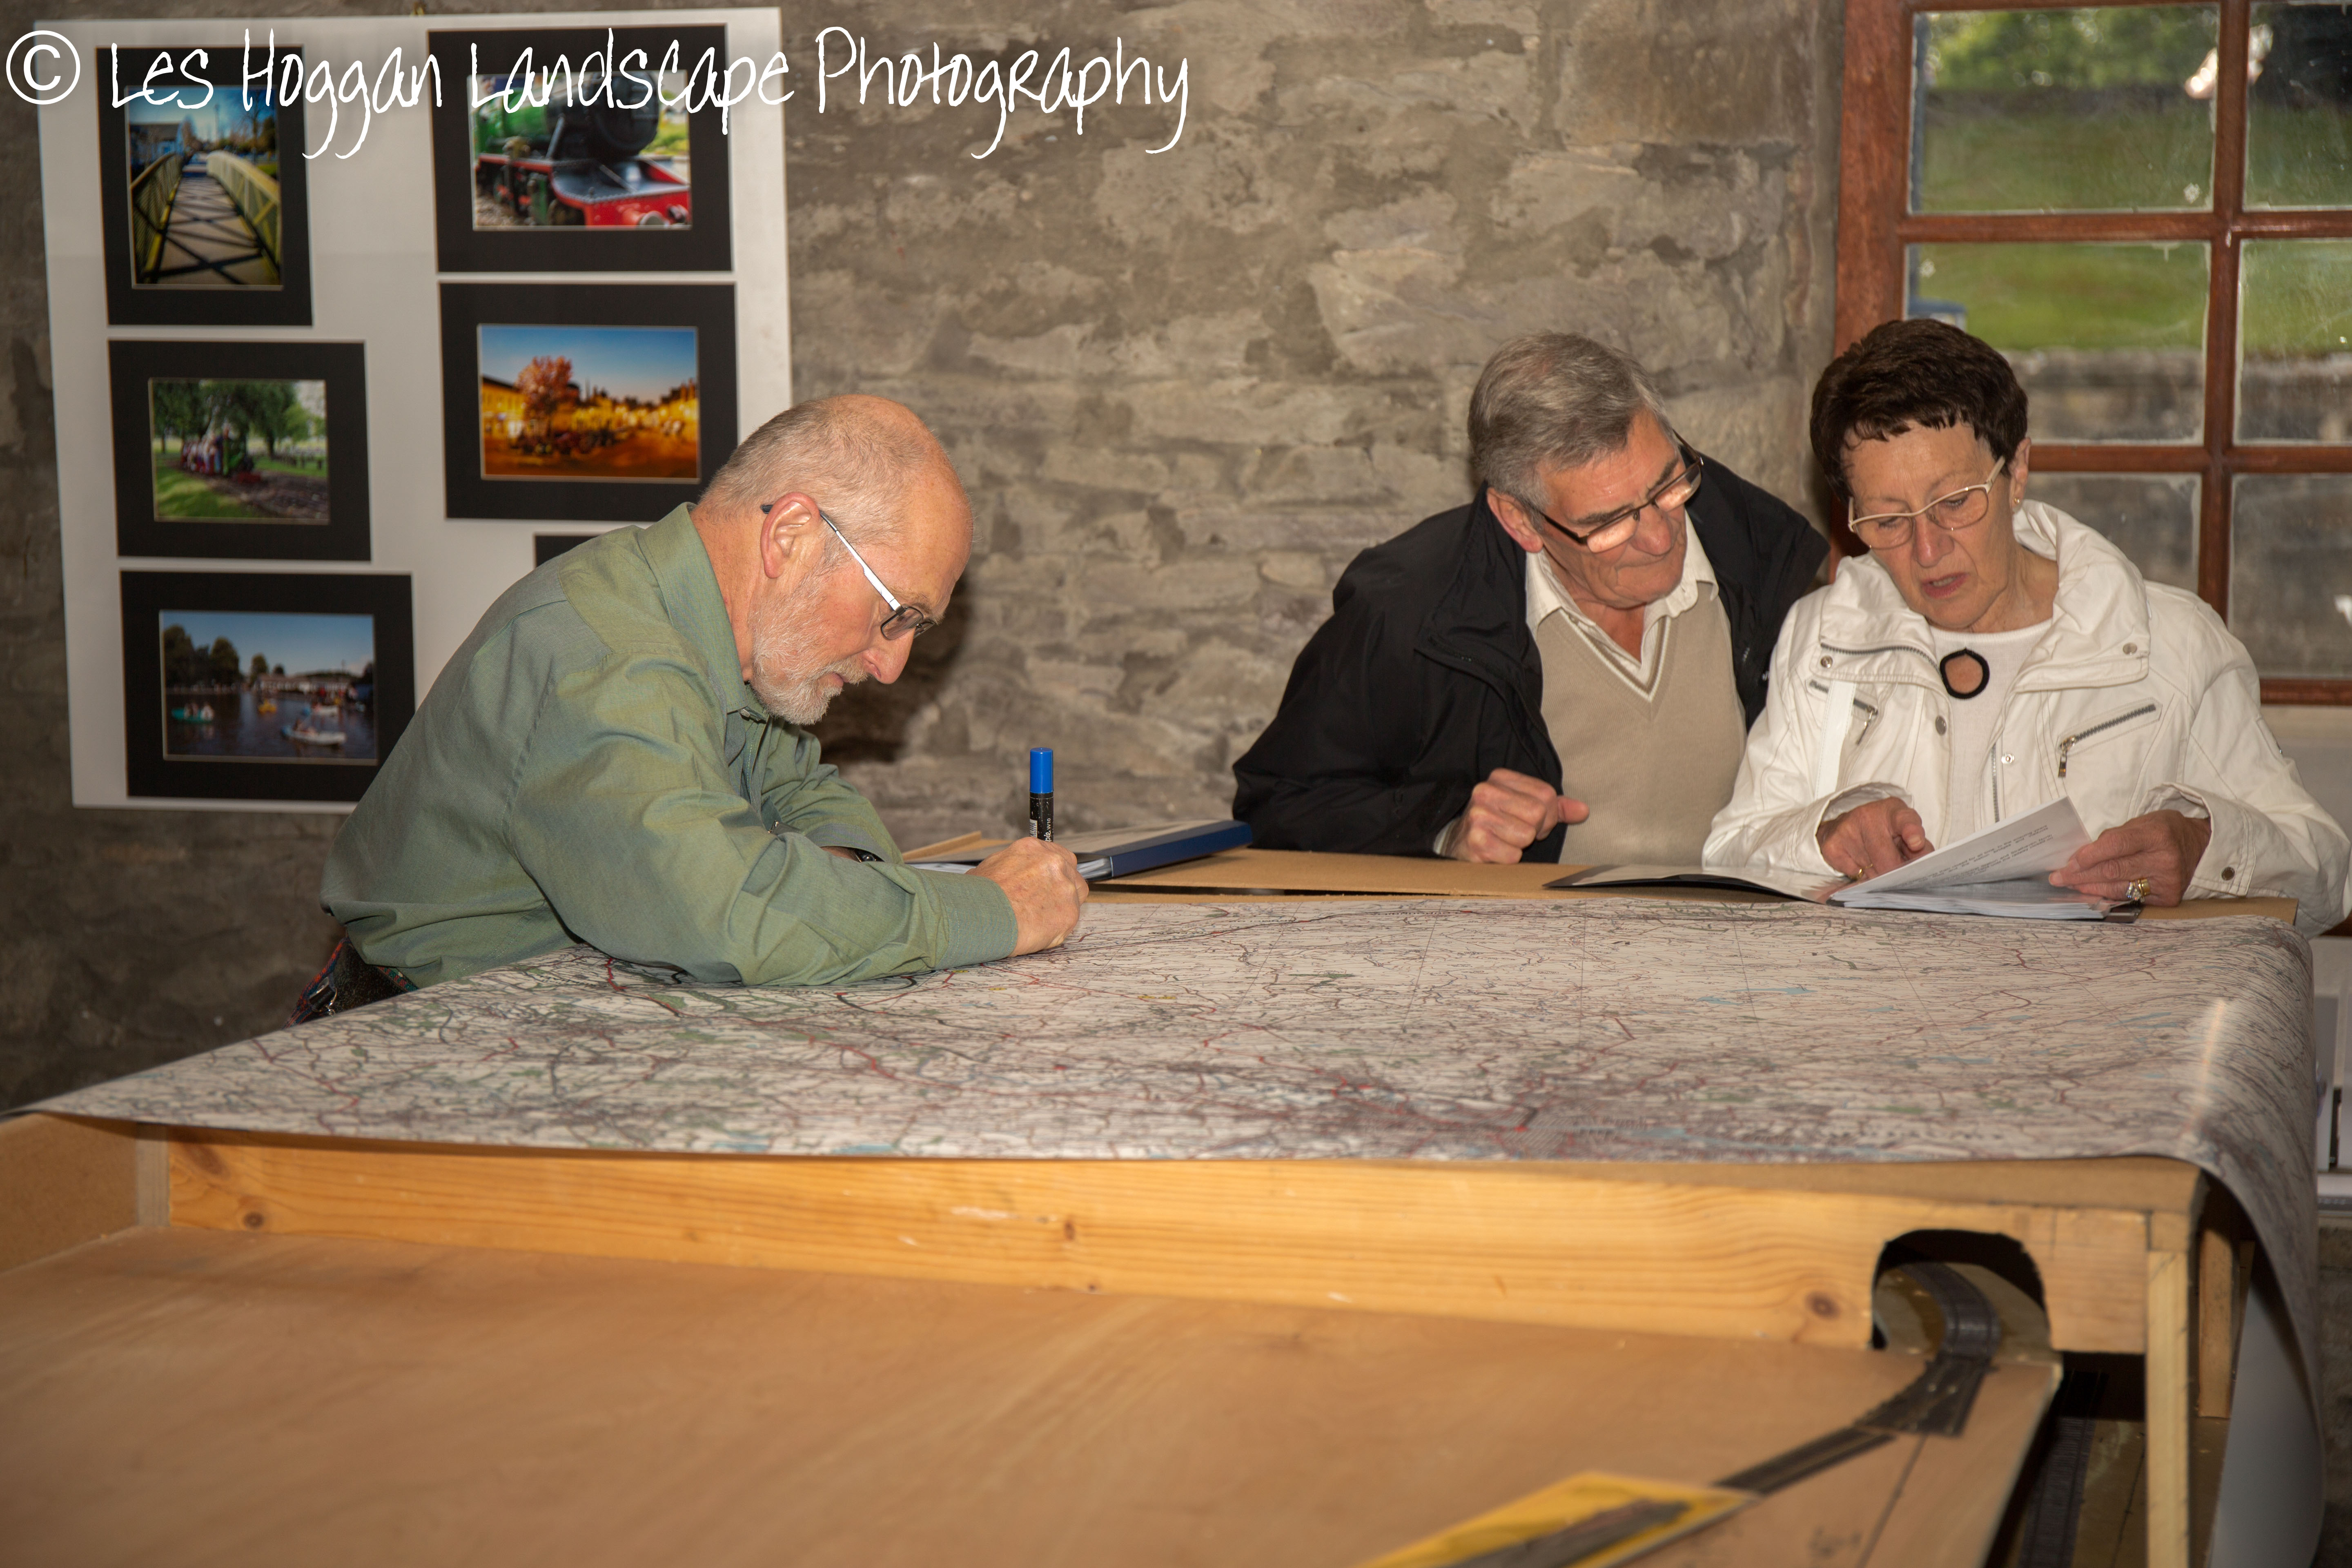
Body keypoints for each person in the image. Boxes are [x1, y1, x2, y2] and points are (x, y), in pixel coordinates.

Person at [313, 394, 1088, 1003]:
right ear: (791, 536)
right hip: (423, 1046)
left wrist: (826, 894)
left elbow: (807, 793)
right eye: (898, 614)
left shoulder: (734, 641)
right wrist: (991, 912)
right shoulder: (606, 659)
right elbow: (726, 916)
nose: (891, 666)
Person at [1705, 318, 2350, 935]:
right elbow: (1731, 854)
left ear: (2017, 472)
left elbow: (2325, 879)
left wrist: (2203, 847)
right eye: (1889, 521)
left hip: (2101, 1011)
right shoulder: (1826, 638)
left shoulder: (2166, 644)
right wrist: (1824, 838)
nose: (1928, 551)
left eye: (1955, 502)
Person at [1231, 333, 1827, 864]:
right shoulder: (1412, 614)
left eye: (1667, 485)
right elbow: (1282, 801)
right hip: (1533, 946)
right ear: (1519, 520)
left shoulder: (1766, 554)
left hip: (1743, 935)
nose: (1660, 537)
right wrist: (1443, 830)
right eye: (1609, 523)